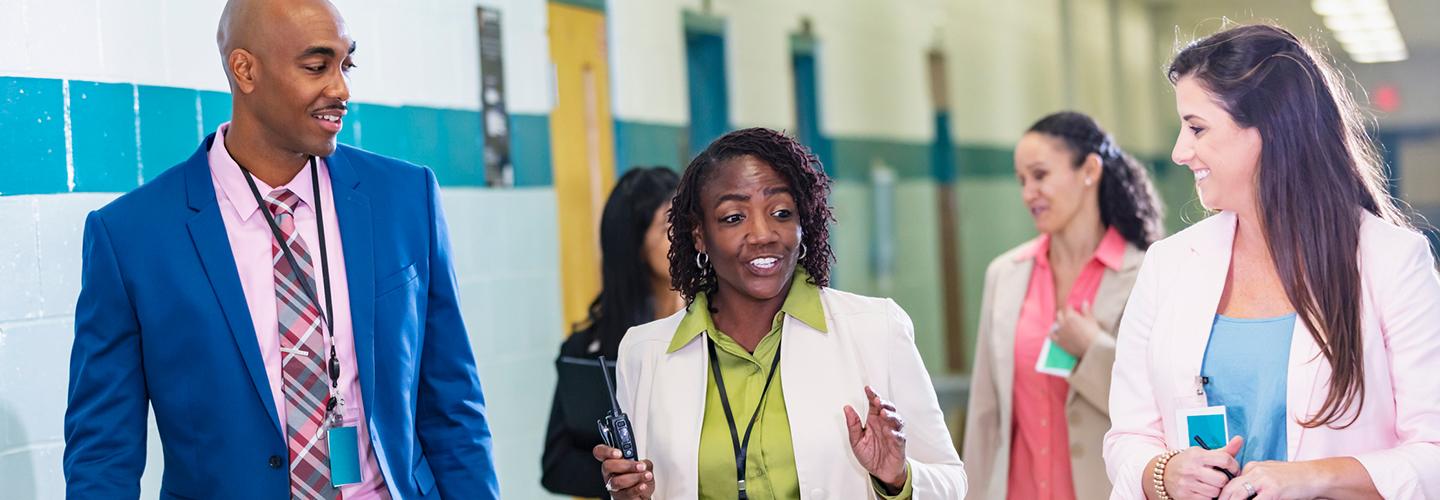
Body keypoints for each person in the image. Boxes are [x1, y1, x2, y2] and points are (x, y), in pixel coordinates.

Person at [62, 0, 499, 498]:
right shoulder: (131, 236)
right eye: (316, 67)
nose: (340, 89)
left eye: (345, 65)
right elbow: (102, 454)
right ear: (244, 69)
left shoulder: (405, 198)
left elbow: (454, 407)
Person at [1104, 24, 1440, 500]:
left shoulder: (1392, 261)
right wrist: (1164, 473)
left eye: (1197, 127)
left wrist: (1311, 476)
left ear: (1271, 129)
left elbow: (1433, 453)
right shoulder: (1169, 264)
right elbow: (1128, 436)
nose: (1180, 152)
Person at [591, 128, 966, 499]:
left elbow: (951, 480)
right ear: (698, 235)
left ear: (804, 221)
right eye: (734, 217)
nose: (762, 234)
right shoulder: (645, 353)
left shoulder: (875, 329)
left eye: (781, 212)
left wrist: (897, 478)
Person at [963, 111, 1164, 500]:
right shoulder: (1005, 275)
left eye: (1040, 176)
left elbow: (1158, 410)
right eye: (1022, 180)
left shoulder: (1147, 273)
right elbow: (986, 416)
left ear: (1089, 170)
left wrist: (1094, 349)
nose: (1028, 193)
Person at [542, 166, 682, 497]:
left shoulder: (718, 329)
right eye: (669, 227)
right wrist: (621, 477)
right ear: (634, 246)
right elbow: (556, 466)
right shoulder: (588, 349)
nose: (687, 237)